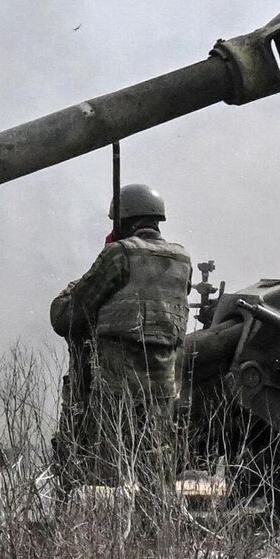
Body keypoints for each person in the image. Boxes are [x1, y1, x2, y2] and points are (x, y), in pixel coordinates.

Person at [49, 183, 192, 485]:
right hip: (162, 390)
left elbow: (67, 317)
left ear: (122, 221)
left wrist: (82, 279)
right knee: (153, 471)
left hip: (116, 388)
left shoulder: (118, 254)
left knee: (106, 472)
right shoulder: (182, 259)